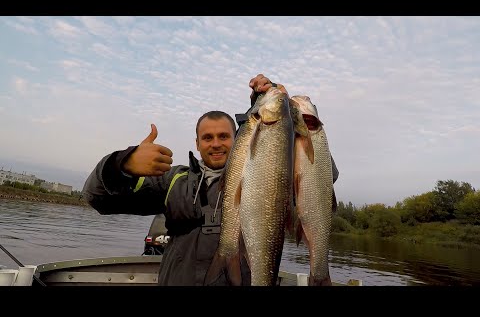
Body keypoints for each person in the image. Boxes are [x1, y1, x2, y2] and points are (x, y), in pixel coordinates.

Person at [82, 74, 339, 286]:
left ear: (240, 137)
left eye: (224, 136)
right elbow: (98, 200)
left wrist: (286, 117)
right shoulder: (173, 180)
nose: (216, 144)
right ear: (197, 143)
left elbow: (319, 177)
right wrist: (122, 164)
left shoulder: (269, 173)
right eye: (207, 138)